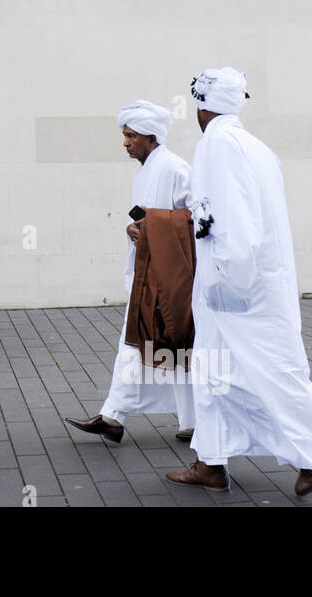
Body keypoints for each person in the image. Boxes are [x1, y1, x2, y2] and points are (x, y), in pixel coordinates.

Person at [165, 68, 312, 495]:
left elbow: (232, 220)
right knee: (215, 373)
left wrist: (223, 284)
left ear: (203, 105)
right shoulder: (255, 146)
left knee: (273, 373)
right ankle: (210, 462)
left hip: (236, 290)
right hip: (252, 286)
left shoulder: (217, 145)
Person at [66, 100, 195, 443]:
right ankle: (189, 420)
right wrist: (133, 229)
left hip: (168, 276)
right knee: (163, 345)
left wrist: (153, 228)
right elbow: (147, 218)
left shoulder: (176, 168)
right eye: (124, 135)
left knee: (148, 342)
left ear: (152, 137)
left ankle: (114, 416)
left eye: (131, 136)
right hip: (148, 271)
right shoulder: (148, 168)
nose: (125, 142)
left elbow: (195, 219)